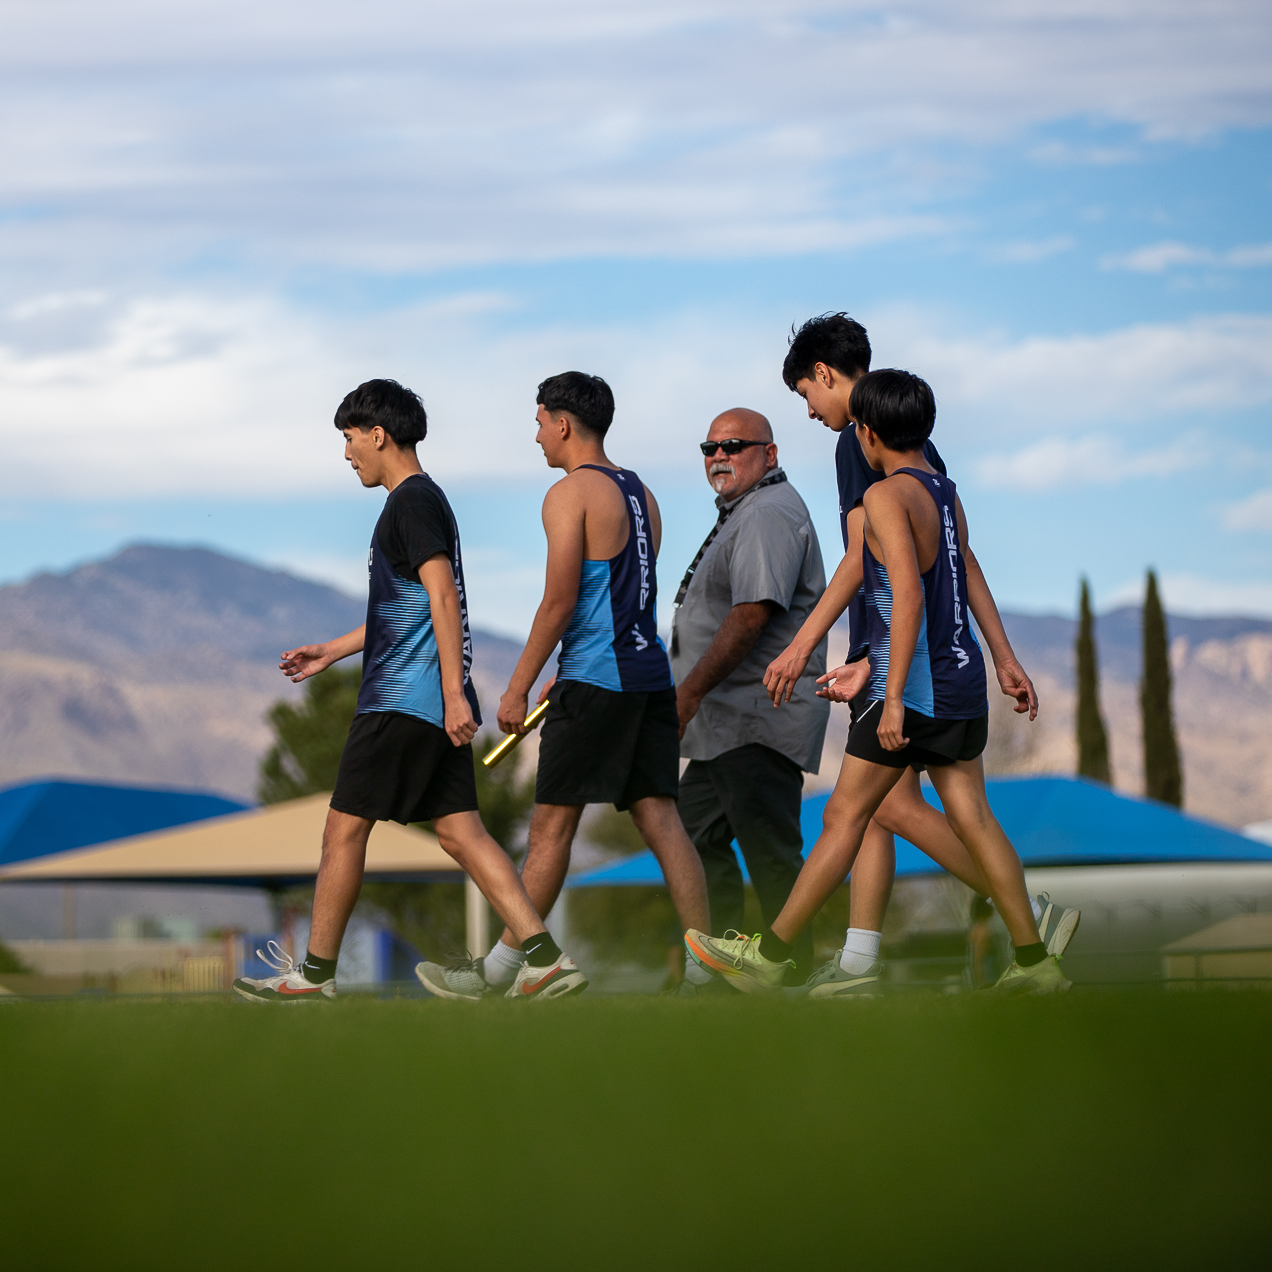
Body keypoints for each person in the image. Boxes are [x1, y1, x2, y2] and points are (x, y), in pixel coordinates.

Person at [687, 369, 1071, 996]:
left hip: (912, 686)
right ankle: (1034, 962)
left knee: (844, 816)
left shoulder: (886, 498)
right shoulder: (946, 493)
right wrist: (1004, 658)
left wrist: (890, 696)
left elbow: (909, 594)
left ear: (866, 433)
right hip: (961, 677)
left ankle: (772, 955)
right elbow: (953, 570)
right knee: (970, 814)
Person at [235, 379, 586, 1003]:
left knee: (342, 832)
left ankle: (314, 979)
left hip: (403, 701)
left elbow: (443, 594)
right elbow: (404, 610)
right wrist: (333, 651)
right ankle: (546, 959)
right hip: (426, 699)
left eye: (349, 439)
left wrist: (454, 693)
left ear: (379, 435)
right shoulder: (416, 502)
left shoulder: (411, 502)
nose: (347, 454)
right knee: (461, 834)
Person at [414, 372, 705, 1001]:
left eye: (540, 421)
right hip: (649, 678)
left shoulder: (568, 494)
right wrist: (565, 663)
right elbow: (623, 598)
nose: (538, 435)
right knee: (663, 821)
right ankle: (707, 967)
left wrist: (517, 688)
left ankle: (499, 971)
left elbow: (560, 599)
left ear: (564, 422)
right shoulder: (642, 494)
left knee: (550, 832)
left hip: (597, 681)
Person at [665, 408, 830, 991]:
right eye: (708, 446)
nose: (718, 456)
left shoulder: (767, 513)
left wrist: (687, 691)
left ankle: (796, 975)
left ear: (771, 453)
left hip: (758, 717)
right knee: (690, 838)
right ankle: (718, 970)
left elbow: (752, 613)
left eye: (733, 445)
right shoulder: (745, 512)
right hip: (721, 725)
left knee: (771, 855)